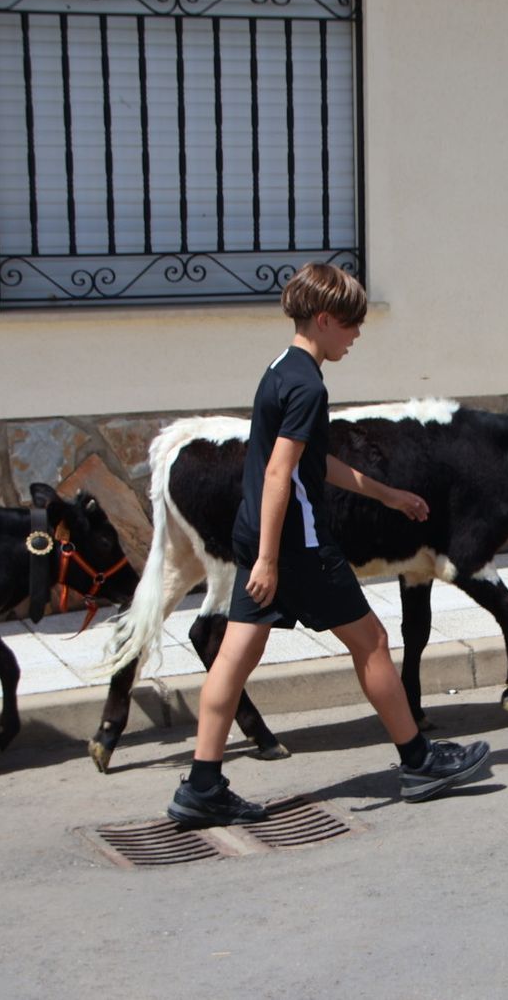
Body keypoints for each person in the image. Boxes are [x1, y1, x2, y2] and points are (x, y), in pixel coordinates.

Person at [165, 263, 491, 828]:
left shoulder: (281, 371)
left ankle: (202, 784)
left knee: (235, 656)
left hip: (261, 533)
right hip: (296, 545)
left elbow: (313, 463)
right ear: (322, 319)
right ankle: (419, 762)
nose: (357, 334)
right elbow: (277, 474)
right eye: (351, 324)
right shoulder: (308, 385)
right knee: (371, 641)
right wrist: (270, 558)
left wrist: (388, 494)